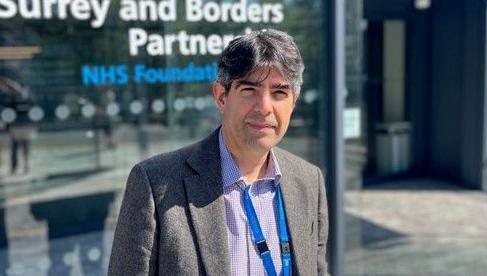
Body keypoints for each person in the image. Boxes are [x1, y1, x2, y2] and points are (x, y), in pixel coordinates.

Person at [108, 29, 329, 276]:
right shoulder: (154, 184)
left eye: (279, 92)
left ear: (294, 102)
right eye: (249, 90)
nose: (265, 107)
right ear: (221, 96)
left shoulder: (309, 181)